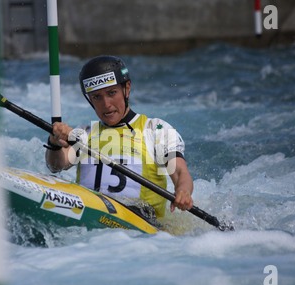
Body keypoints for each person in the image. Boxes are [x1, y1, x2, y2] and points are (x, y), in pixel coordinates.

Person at [45, 55, 193, 218]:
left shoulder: (156, 130)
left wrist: (183, 191)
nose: (106, 104)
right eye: (97, 97)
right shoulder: (83, 134)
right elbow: (56, 166)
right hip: (92, 218)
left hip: (143, 226)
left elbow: (180, 172)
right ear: (90, 100)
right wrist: (54, 143)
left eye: (112, 93)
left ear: (127, 88)